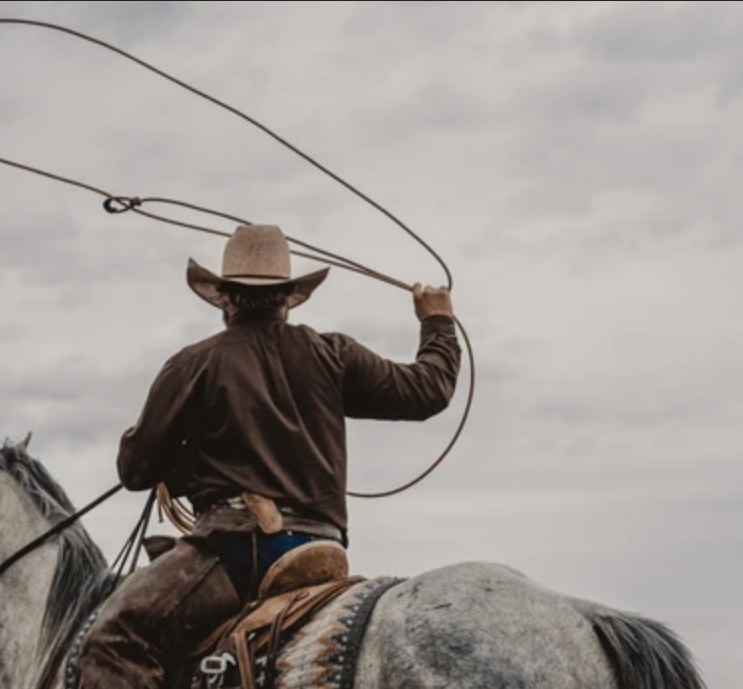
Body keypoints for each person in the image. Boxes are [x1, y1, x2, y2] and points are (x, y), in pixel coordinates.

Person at [77, 224, 461, 689]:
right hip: (322, 545)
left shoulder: (193, 364)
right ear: (287, 297)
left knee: (114, 637)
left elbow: (135, 469)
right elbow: (428, 390)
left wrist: (177, 466)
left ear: (225, 299)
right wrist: (437, 321)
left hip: (237, 550)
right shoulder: (332, 354)